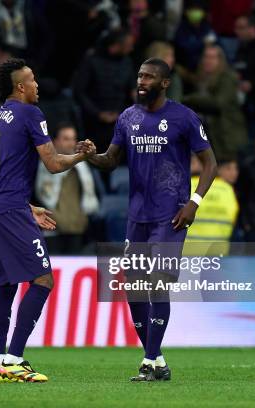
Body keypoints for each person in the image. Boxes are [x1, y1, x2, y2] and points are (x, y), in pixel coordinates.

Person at [79, 58, 217, 381]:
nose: (142, 81)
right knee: (136, 289)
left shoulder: (184, 117)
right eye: (140, 75)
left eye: (149, 77)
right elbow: (111, 160)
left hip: (171, 216)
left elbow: (210, 163)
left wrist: (194, 203)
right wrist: (91, 155)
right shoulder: (128, 117)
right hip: (137, 216)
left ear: (164, 83)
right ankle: (156, 359)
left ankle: (149, 359)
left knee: (159, 282)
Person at [0, 58, 95, 383]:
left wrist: (28, 207)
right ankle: (14, 360)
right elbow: (54, 164)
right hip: (9, 209)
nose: (37, 84)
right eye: (31, 79)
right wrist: (82, 155)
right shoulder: (30, 113)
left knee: (4, 286)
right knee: (43, 279)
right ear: (20, 86)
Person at [35, 123, 99, 254]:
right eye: (66, 139)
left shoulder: (84, 168)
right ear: (55, 141)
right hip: (49, 230)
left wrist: (83, 221)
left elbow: (93, 197)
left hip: (78, 231)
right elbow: (38, 196)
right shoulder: (40, 167)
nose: (71, 143)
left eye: (73, 139)